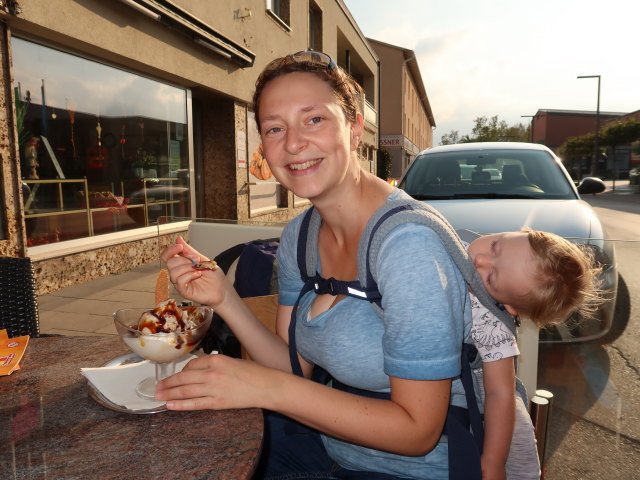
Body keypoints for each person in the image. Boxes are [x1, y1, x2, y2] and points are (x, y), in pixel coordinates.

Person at [157, 51, 477, 479]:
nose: (292, 144)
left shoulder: (409, 245)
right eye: (275, 128)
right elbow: (293, 368)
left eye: (314, 119)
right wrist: (225, 297)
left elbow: (418, 432)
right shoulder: (300, 235)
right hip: (326, 447)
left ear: (355, 128)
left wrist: (263, 388)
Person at [465, 229, 602, 480]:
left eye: (492, 277)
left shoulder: (491, 323)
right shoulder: (453, 244)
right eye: (496, 246)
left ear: (509, 307)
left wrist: (494, 463)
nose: (480, 260)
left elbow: (500, 393)